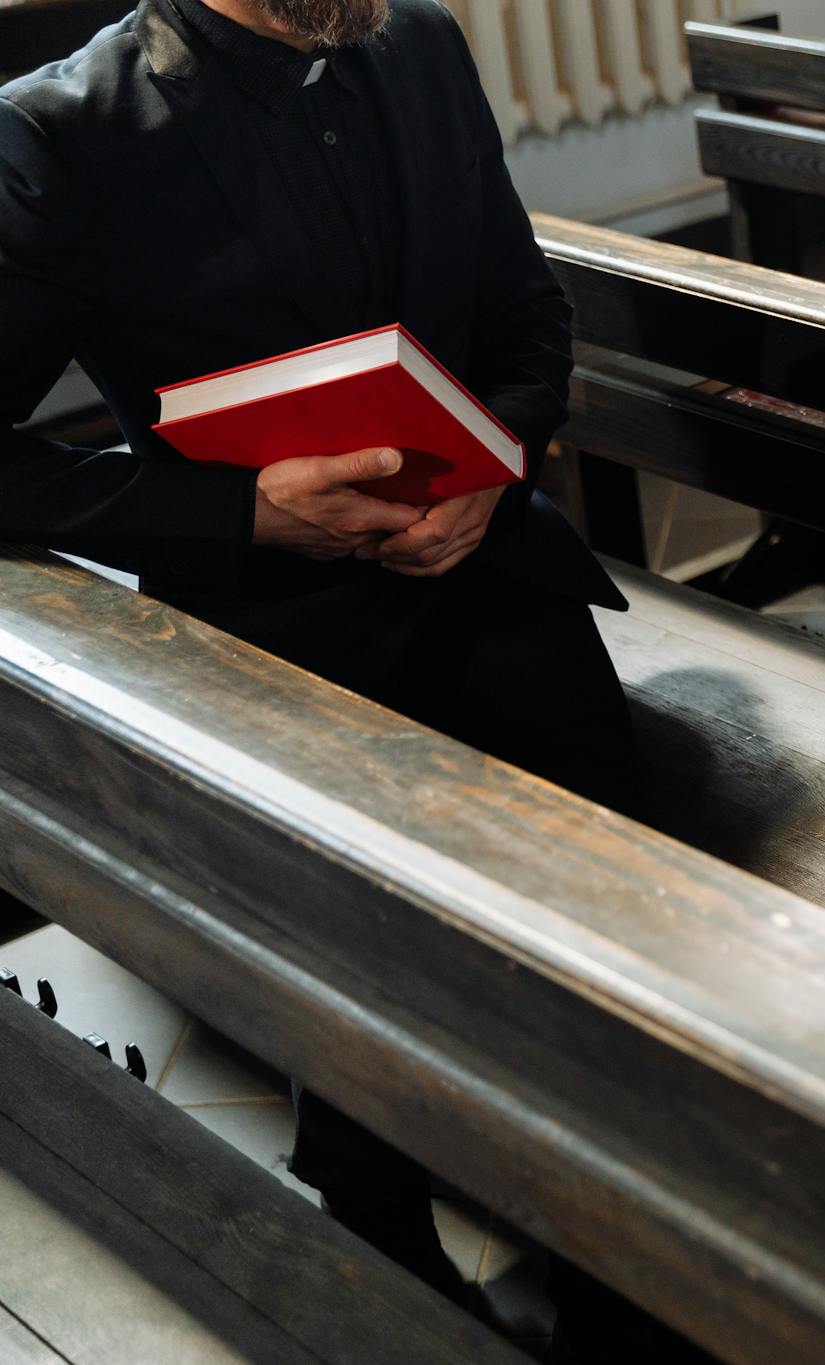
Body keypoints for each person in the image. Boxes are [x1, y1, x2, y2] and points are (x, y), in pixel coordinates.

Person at [0, 0, 652, 1353]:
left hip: (483, 574)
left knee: (615, 932)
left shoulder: (420, 44)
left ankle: (620, 1262)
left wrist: (497, 466)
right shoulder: (63, 130)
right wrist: (243, 513)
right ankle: (369, 1212)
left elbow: (528, 313)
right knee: (358, 932)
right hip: (269, 629)